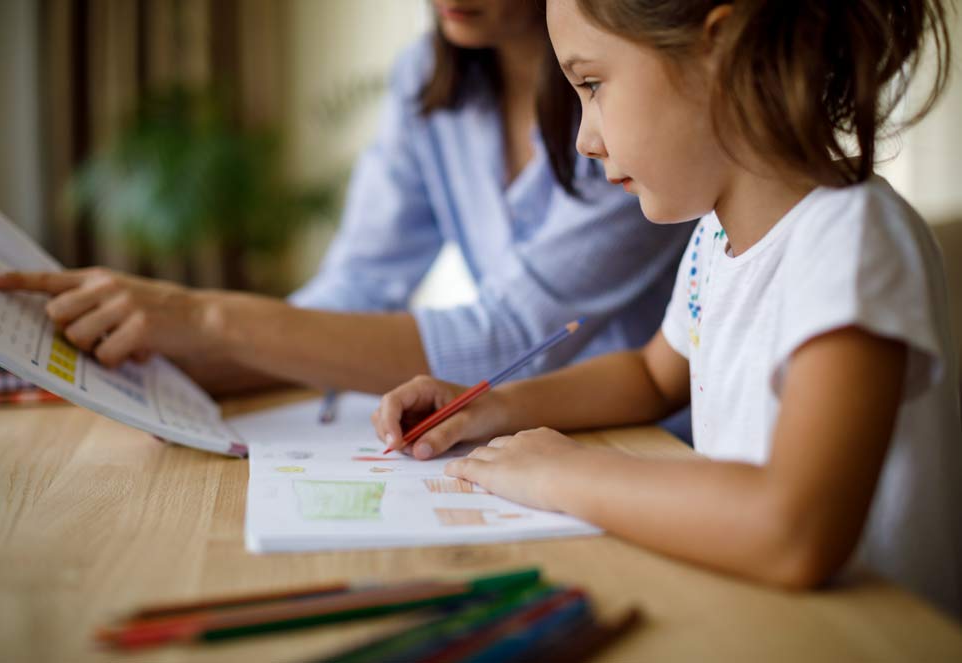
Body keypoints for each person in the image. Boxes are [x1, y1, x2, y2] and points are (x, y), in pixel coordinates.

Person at [372, 0, 962, 617]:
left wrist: (561, 475)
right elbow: (652, 375)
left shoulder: (851, 237)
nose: (583, 139)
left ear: (722, 52)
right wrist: (486, 406)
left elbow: (794, 530)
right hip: (752, 610)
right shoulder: (715, 238)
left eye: (594, 85)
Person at [0, 1, 693, 428]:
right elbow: (352, 291)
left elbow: (505, 339)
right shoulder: (425, 79)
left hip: (644, 441)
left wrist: (205, 316)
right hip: (515, 436)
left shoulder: (639, 115)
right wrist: (158, 368)